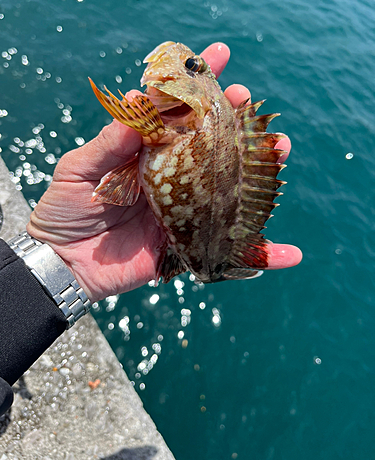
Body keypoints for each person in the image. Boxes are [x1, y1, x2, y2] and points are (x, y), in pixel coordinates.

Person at [0, 43, 302, 416]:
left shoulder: (177, 122)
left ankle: (215, 262)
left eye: (192, 66)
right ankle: (215, 264)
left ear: (198, 93)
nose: (186, 64)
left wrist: (49, 256)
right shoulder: (186, 122)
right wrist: (57, 256)